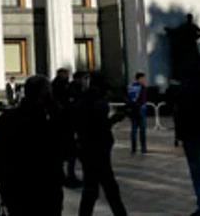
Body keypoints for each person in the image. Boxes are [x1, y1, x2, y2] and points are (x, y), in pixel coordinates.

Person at [0, 75, 63, 216]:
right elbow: (67, 147)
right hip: (45, 188)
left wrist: (3, 185)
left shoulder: (7, 119)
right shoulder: (48, 122)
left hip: (17, 189)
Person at [74, 72, 128, 216]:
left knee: (92, 189)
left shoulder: (84, 100)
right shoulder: (96, 101)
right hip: (97, 149)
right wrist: (113, 120)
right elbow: (98, 126)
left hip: (90, 148)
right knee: (108, 189)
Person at [175, 58, 200, 215]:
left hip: (191, 135)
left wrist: (179, 135)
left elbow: (179, 113)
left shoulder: (184, 89)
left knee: (197, 172)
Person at [51, 68, 81, 187]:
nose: (68, 76)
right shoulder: (60, 87)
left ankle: (66, 175)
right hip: (63, 124)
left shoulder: (60, 86)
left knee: (65, 153)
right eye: (66, 74)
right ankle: (68, 176)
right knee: (68, 152)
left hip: (63, 123)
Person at [127, 71, 148, 154]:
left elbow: (128, 98)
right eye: (143, 78)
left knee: (134, 130)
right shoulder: (142, 87)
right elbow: (143, 99)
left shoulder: (130, 87)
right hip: (140, 109)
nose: (144, 80)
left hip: (132, 110)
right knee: (142, 130)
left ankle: (133, 148)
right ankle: (143, 148)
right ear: (140, 78)